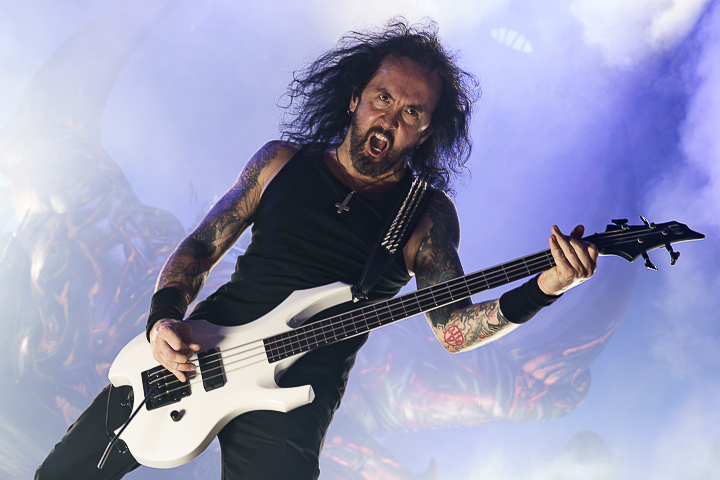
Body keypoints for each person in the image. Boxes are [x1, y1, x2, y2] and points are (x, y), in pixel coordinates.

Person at [35, 19, 597, 480]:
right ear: (355, 98)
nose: (390, 119)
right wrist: (163, 320)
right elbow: (202, 246)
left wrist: (545, 287)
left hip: (295, 393)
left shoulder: (425, 214)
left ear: (426, 132)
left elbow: (454, 330)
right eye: (382, 97)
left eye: (411, 113)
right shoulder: (281, 162)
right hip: (200, 349)